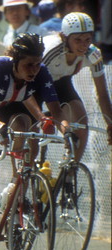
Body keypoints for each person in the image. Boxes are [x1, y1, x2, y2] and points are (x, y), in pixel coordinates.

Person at [0, 33, 68, 250]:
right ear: (15, 61)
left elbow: (57, 112)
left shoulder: (41, 73)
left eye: (37, 63)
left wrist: (66, 130)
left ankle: (16, 186)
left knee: (26, 126)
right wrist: (0, 128)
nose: (33, 69)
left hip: (11, 108)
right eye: (28, 64)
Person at [42, 12, 112, 157]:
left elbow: (103, 94)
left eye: (87, 39)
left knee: (81, 122)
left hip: (62, 83)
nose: (83, 45)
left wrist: (110, 124)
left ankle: (71, 170)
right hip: (39, 84)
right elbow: (32, 83)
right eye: (78, 40)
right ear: (64, 38)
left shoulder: (94, 55)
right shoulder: (52, 51)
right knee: (55, 120)